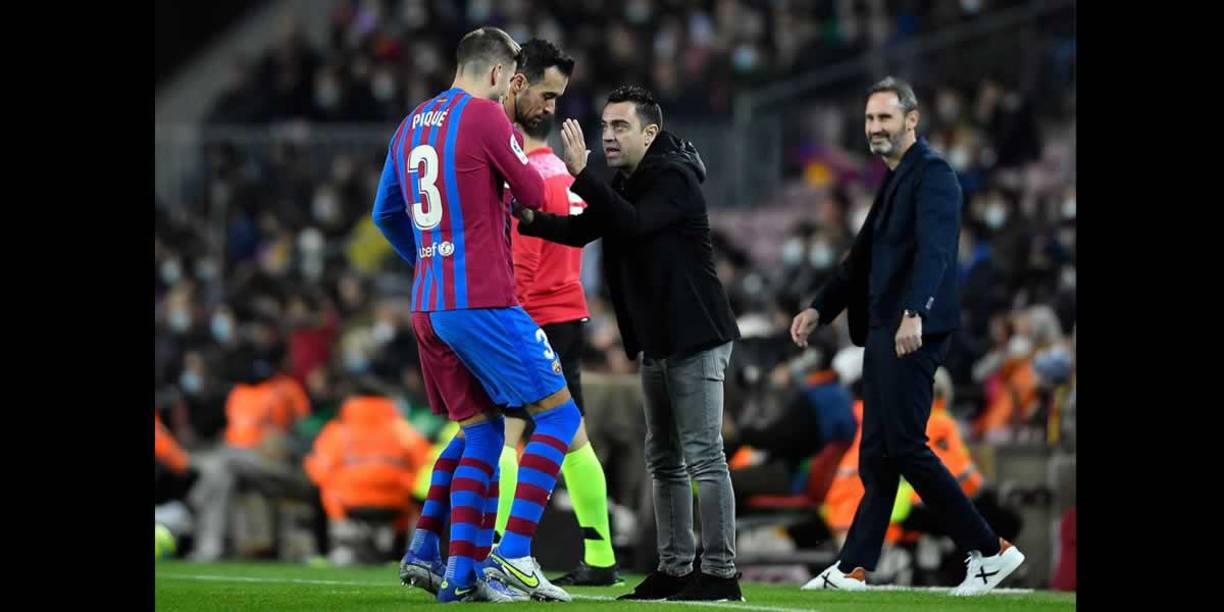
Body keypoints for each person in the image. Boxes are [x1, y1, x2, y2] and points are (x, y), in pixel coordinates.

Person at [790, 76, 1025, 596]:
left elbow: (937, 252)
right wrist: (820, 308)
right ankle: (853, 567)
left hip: (910, 330)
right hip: (884, 328)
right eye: (870, 118)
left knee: (902, 445)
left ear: (911, 119)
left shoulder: (933, 174)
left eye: (885, 118)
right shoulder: (898, 178)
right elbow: (861, 258)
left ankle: (989, 550)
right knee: (877, 452)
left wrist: (915, 312)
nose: (875, 127)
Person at [371, 27, 577, 603]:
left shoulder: (411, 122)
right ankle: (515, 553)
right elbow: (532, 191)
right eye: (511, 79)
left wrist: (429, 260)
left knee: (481, 433)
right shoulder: (486, 117)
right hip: (482, 300)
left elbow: (385, 213)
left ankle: (455, 572)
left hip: (428, 305)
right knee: (559, 417)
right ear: (496, 74)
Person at [515, 85, 743, 602]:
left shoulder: (674, 177)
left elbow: (633, 224)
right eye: (605, 126)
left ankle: (721, 572)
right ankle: (674, 569)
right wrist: (529, 219)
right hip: (660, 338)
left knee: (703, 455)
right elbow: (583, 229)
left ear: (650, 132)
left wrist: (581, 175)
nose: (609, 136)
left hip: (696, 335)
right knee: (662, 456)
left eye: (621, 126)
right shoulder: (629, 182)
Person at [498, 38, 621, 587]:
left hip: (529, 317)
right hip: (570, 314)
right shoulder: (569, 176)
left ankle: (498, 550)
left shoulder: (520, 179)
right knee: (572, 436)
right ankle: (601, 557)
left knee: (504, 434)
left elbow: (520, 262)